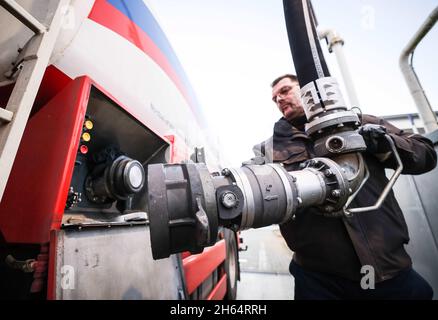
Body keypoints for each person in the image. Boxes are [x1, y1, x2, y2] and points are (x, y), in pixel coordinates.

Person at [253, 74, 437, 300]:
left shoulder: (359, 123)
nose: (279, 100)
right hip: (317, 278)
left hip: (387, 268)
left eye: (285, 91)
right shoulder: (270, 149)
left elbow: (426, 155)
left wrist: (381, 143)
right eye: (274, 98)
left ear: (308, 89)